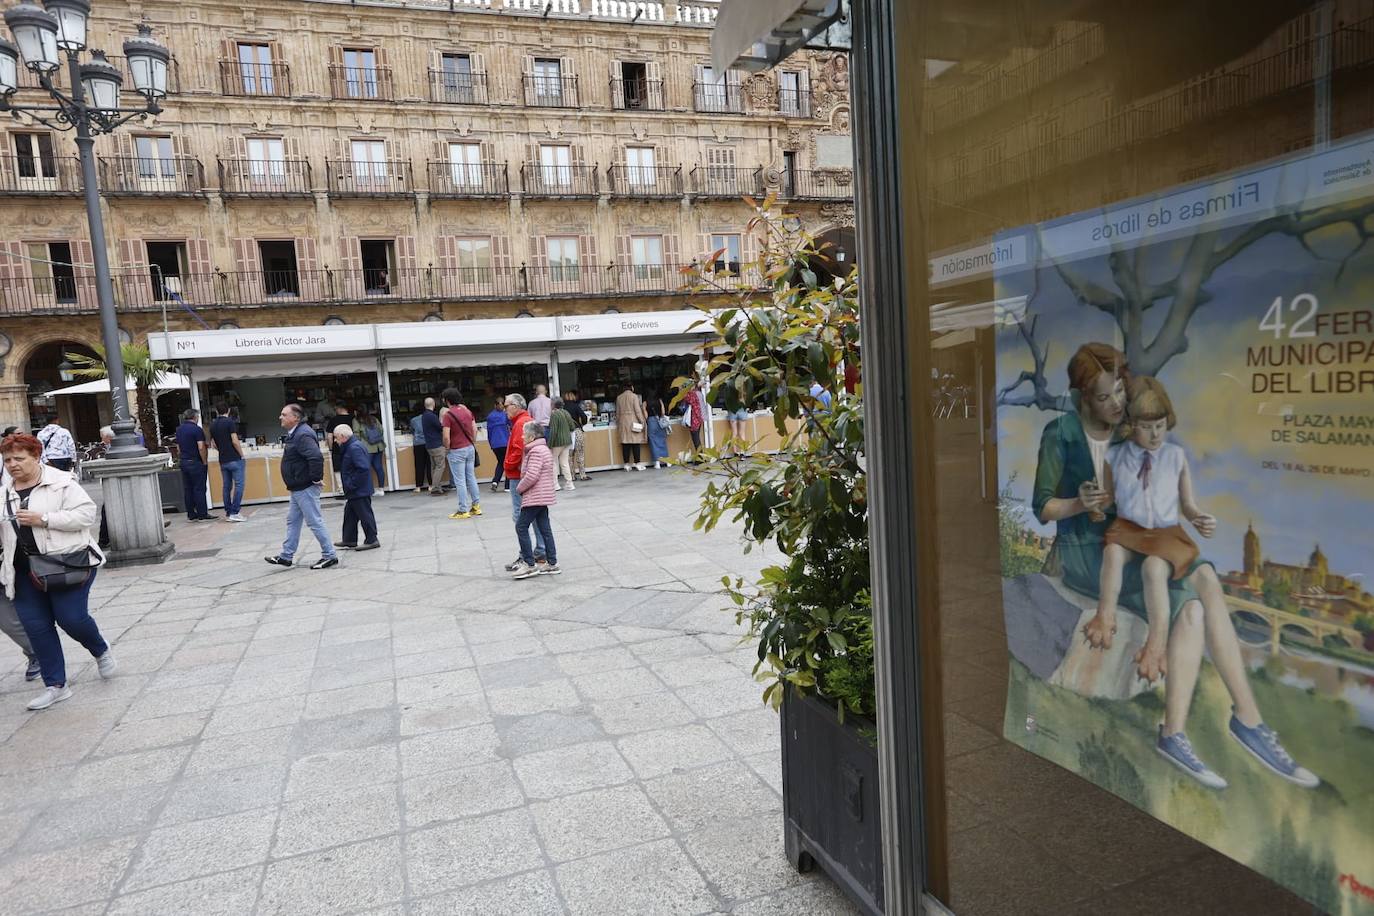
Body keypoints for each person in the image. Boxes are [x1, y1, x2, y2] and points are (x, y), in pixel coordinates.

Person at [1034, 343, 1315, 790]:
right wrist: (1078, 503)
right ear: (1082, 397)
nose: (1115, 405)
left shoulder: (1135, 434)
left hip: (1141, 544)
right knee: (1194, 597)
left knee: (1203, 586)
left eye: (1119, 394)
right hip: (1092, 550)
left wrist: (1189, 513)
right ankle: (1204, 728)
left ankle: (1232, 720)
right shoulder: (1061, 434)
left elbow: (1159, 498)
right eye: (1104, 397)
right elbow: (1043, 508)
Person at [1088, 377, 1212, 684]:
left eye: (1160, 425)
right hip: (1129, 529)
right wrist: (1093, 501)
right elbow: (1107, 498)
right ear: (1132, 425)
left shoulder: (1175, 457)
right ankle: (1105, 616)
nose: (1155, 433)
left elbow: (1187, 504)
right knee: (1113, 553)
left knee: (1155, 569)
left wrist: (1198, 518)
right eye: (1146, 426)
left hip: (1166, 534)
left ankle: (1156, 645)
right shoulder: (1115, 458)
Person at [1, 432, 114, 710]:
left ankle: (99, 649)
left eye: (19, 458)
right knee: (37, 628)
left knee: (71, 619)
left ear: (36, 457)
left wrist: (45, 519)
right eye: (7, 460)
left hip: (67, 564)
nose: (13, 464)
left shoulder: (61, 483)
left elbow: (86, 515)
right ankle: (56, 685)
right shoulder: (4, 491)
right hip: (22, 570)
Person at [264, 404, 338, 570]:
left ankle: (329, 555)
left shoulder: (302, 434)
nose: (280, 417)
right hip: (297, 487)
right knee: (293, 521)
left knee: (314, 522)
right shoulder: (295, 434)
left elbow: (316, 457)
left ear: (295, 418)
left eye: (284, 414)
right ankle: (286, 556)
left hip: (304, 487)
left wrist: (315, 479)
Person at [511, 419, 560, 579]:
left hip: (535, 496)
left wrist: (520, 488)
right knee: (545, 528)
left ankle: (530, 565)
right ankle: (552, 563)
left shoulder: (536, 451)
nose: (522, 437)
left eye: (524, 434)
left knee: (521, 526)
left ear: (532, 436)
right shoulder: (542, 448)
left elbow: (532, 475)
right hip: (543, 495)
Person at [501, 394, 546, 570]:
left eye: (506, 406)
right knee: (533, 515)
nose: (504, 409)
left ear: (516, 406)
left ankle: (526, 555)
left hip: (517, 475)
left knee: (520, 516)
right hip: (521, 474)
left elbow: (519, 450)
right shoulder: (525, 421)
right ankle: (539, 551)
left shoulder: (520, 423)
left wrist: (507, 465)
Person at [331, 425, 380, 552]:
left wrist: (351, 484)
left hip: (358, 490)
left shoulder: (354, 448)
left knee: (365, 514)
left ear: (342, 437)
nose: (335, 441)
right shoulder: (352, 446)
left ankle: (372, 539)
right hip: (356, 490)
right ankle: (349, 539)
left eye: (336, 438)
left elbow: (363, 469)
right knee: (350, 514)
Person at [441, 388, 482, 520]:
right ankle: (476, 506)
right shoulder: (467, 411)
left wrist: (447, 448)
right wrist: (471, 442)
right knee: (471, 477)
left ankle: (463, 509)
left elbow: (446, 437)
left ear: (447, 400)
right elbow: (474, 430)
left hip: (456, 450)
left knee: (460, 481)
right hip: (469, 447)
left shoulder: (448, 415)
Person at [175, 409, 215, 521]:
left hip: (184, 461)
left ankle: (191, 513)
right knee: (199, 488)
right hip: (195, 462)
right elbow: (201, 447)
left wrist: (182, 457)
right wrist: (204, 461)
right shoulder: (197, 430)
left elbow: (178, 448)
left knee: (188, 488)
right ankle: (202, 513)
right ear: (195, 417)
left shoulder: (179, 429)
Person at [210, 404, 246, 522]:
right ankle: (235, 512)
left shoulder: (213, 425)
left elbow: (213, 444)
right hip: (234, 458)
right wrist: (241, 454)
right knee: (239, 485)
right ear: (229, 410)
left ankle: (228, 511)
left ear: (216, 410)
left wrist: (222, 450)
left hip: (223, 459)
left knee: (226, 486)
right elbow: (235, 441)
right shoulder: (230, 422)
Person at [616, 382, 648, 471]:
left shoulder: (619, 398)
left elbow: (617, 413)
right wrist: (642, 421)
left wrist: (618, 422)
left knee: (625, 444)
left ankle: (626, 464)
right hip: (633, 422)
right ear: (632, 387)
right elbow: (637, 411)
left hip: (623, 423)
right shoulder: (634, 396)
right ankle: (637, 463)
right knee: (635, 443)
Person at [354, 410, 388, 494]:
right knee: (379, 467)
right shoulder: (374, 418)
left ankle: (368, 489)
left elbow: (356, 434)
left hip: (366, 448)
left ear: (356, 412)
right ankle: (381, 489)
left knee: (366, 468)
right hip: (378, 446)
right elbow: (381, 430)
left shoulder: (356, 420)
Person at [546, 398, 575, 491]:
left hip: (557, 442)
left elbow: (553, 430)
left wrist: (549, 444)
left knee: (553, 462)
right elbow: (572, 426)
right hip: (567, 441)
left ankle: (555, 484)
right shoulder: (566, 412)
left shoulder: (554, 414)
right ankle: (569, 483)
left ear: (554, 405)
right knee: (564, 462)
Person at [421, 397, 447, 496]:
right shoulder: (432, 416)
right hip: (437, 444)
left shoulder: (424, 416)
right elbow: (440, 427)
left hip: (429, 445)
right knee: (440, 466)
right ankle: (435, 487)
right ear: (434, 404)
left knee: (434, 467)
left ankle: (437, 486)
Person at [562, 391, 591, 482]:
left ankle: (572, 476)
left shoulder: (562, 408)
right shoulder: (576, 406)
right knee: (580, 453)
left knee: (569, 455)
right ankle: (582, 475)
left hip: (566, 433)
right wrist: (582, 424)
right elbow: (584, 417)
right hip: (577, 431)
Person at [328, 403, 355, 496]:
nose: (335, 410)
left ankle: (341, 489)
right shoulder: (353, 418)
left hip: (337, 448)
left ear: (340, 408)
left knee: (337, 468)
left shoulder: (334, 420)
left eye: (335, 408)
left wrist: (331, 448)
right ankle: (350, 486)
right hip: (351, 446)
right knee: (351, 466)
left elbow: (329, 436)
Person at [486, 396, 511, 492]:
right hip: (505, 442)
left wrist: (490, 444)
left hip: (495, 444)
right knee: (507, 463)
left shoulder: (490, 417)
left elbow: (489, 431)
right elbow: (511, 425)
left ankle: (495, 481)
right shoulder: (505, 415)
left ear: (494, 405)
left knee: (501, 462)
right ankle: (507, 485)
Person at [409, 406, 431, 493]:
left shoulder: (413, 420)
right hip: (428, 442)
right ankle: (431, 485)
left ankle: (418, 487)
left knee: (419, 465)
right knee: (429, 464)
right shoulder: (427, 418)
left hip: (418, 444)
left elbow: (412, 431)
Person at [681, 384, 705, 463]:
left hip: (694, 419)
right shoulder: (698, 393)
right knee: (697, 438)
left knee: (696, 439)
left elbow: (684, 398)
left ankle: (700, 458)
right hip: (699, 418)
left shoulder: (691, 394)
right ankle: (700, 457)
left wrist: (681, 390)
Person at [646, 393, 671, 470]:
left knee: (653, 442)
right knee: (662, 440)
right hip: (660, 422)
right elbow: (663, 412)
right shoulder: (660, 401)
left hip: (651, 422)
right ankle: (667, 461)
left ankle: (657, 463)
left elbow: (645, 415)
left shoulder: (645, 402)